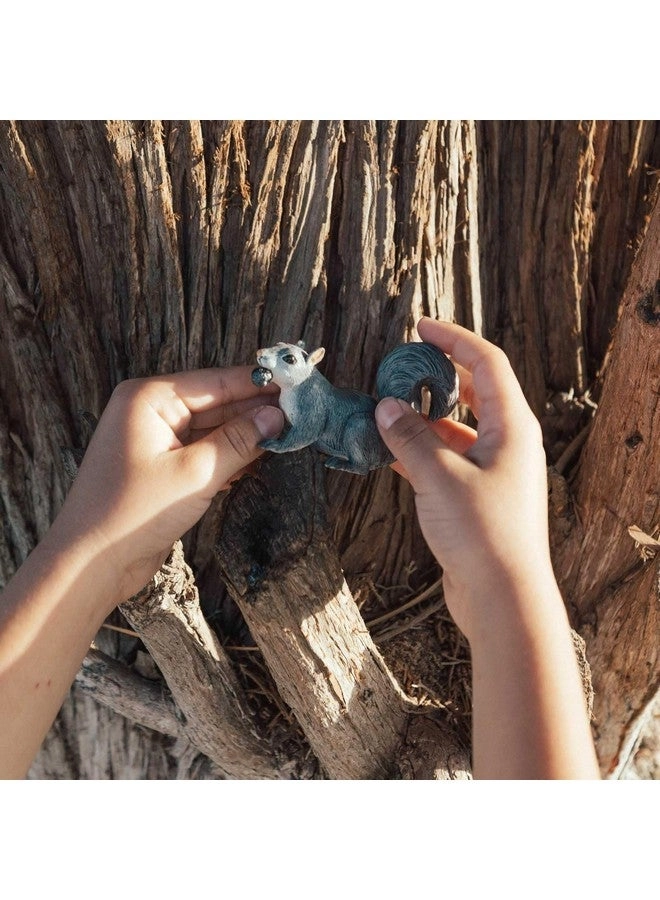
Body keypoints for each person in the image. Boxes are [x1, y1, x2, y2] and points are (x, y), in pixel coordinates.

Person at [0, 318, 600, 779]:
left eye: (285, 359)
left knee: (353, 439)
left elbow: (303, 432)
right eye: (276, 358)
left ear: (306, 367)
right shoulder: (292, 392)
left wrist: (267, 443)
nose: (271, 362)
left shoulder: (306, 399)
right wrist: (504, 579)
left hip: (357, 438)